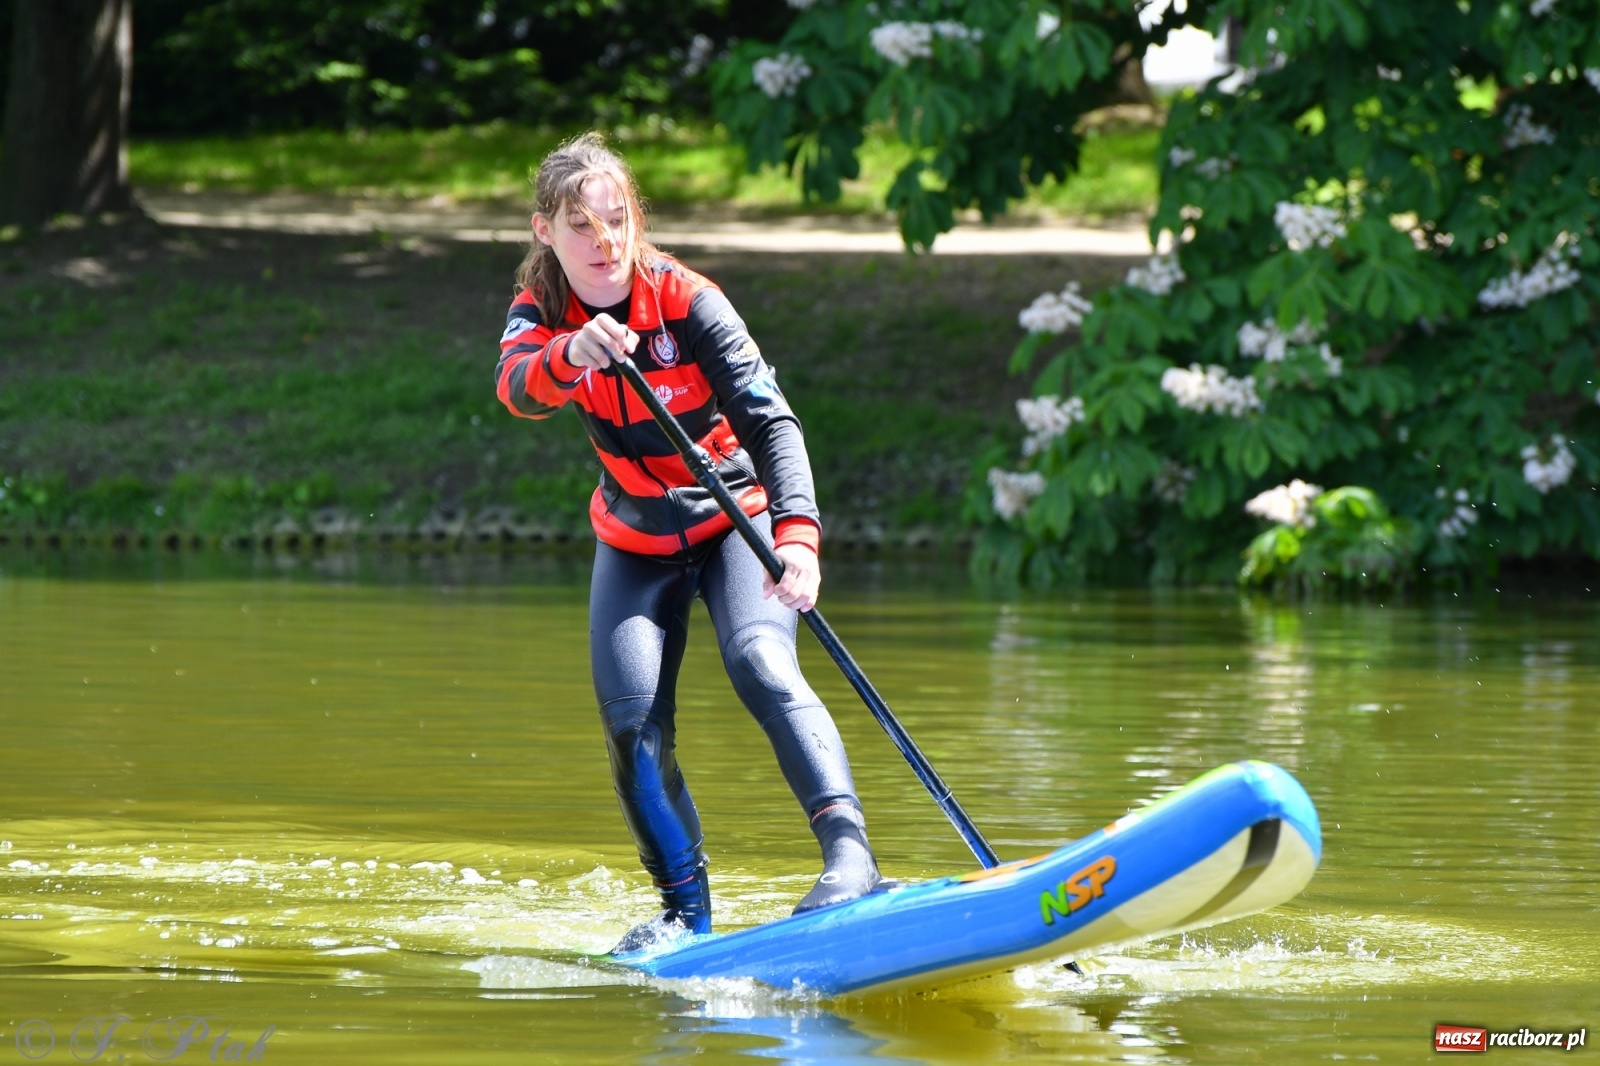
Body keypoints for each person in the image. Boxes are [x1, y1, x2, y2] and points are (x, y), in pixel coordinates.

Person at [493, 132, 885, 952]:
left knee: (760, 661)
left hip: (733, 522)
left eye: (617, 220)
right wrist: (572, 353)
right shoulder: (541, 310)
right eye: (581, 227)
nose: (605, 244)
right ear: (545, 233)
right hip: (634, 539)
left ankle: (851, 863)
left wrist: (800, 541)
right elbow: (519, 389)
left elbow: (772, 424)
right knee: (633, 724)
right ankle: (685, 915)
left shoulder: (688, 299)